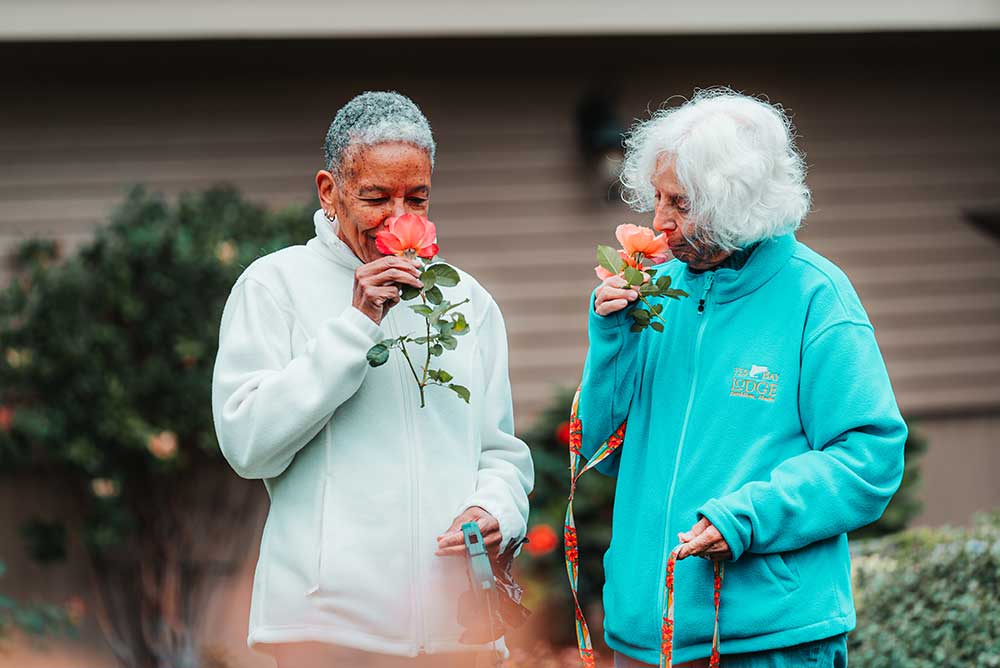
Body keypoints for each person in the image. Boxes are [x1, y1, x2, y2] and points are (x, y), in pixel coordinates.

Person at [578, 89, 907, 668]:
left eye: (680, 204)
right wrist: (612, 338)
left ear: (736, 202)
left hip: (768, 640)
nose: (659, 223)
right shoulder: (657, 291)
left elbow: (869, 458)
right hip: (641, 640)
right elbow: (600, 454)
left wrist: (745, 518)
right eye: (657, 198)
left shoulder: (816, 296)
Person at [212, 91, 534, 668]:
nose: (398, 217)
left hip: (456, 634)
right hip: (327, 632)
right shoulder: (273, 286)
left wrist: (496, 510)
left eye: (417, 197)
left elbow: (501, 453)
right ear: (329, 191)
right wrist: (357, 324)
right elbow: (247, 445)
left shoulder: (467, 299)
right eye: (376, 197)